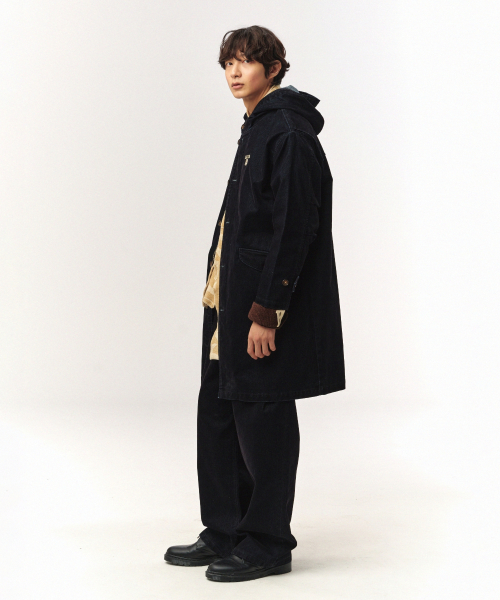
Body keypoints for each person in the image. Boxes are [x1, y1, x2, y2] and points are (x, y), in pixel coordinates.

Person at [164, 25, 345, 583]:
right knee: (220, 411)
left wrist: (268, 311)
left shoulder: (287, 131)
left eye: (246, 61)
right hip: (227, 298)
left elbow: (295, 226)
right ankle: (226, 530)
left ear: (274, 68)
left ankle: (266, 542)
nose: (235, 72)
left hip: (260, 307)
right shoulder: (257, 127)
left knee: (262, 416)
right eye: (228, 63)